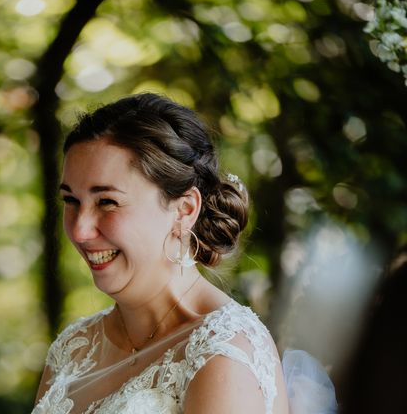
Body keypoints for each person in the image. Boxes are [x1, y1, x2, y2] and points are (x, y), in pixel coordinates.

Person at [32, 93, 290, 414]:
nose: (80, 231)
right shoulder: (74, 348)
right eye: (71, 201)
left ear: (184, 209)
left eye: (107, 201)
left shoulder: (222, 354)